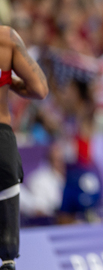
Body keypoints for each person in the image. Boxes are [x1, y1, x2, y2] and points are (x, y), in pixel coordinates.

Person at [0, 27, 49, 270]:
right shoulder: (6, 39)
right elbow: (39, 89)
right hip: (1, 140)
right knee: (7, 254)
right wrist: (11, 83)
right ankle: (8, 260)